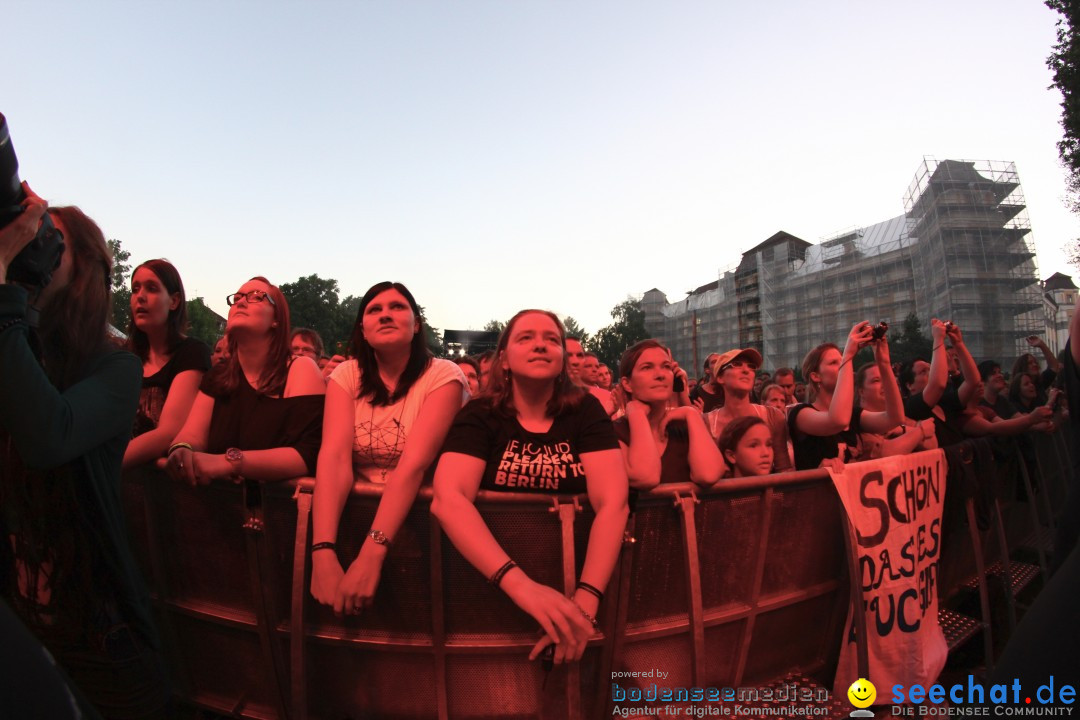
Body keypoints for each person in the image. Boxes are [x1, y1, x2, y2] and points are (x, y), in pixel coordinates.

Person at [0, 198, 169, 717]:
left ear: (85, 271)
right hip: (21, 622)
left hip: (100, 640)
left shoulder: (116, 368)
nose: (32, 247)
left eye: (49, 239)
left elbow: (49, 435)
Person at [431, 309, 629, 666]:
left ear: (562, 359)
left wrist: (587, 597)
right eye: (526, 338)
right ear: (504, 359)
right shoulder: (480, 414)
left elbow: (613, 501)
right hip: (490, 583)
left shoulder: (586, 411)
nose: (541, 345)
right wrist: (521, 586)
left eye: (551, 339)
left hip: (577, 577)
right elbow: (448, 498)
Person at [311, 282, 467, 615]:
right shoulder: (346, 375)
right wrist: (322, 549)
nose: (385, 315)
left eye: (397, 307)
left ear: (416, 324)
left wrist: (371, 555)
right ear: (363, 331)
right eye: (374, 310)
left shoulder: (444, 375)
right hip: (353, 521)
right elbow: (334, 457)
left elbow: (413, 465)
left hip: (421, 529)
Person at [165, 277, 325, 485]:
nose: (240, 302)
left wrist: (231, 462)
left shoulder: (299, 369)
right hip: (216, 508)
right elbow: (193, 435)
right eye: (237, 297)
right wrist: (182, 449)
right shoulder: (219, 375)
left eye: (256, 296)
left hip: (277, 511)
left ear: (277, 319)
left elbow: (308, 453)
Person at [123, 259, 211, 469]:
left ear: (174, 301)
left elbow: (169, 432)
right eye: (135, 289)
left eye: (152, 288)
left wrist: (104, 465)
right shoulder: (124, 357)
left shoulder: (192, 353)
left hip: (162, 487)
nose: (140, 297)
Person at [788, 322, 905, 470]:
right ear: (816, 376)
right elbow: (837, 421)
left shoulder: (853, 414)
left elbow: (895, 418)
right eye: (833, 362)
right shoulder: (801, 414)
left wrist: (884, 363)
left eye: (841, 360)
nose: (842, 365)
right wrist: (848, 357)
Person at [613, 339, 722, 489]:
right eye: (647, 367)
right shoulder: (614, 432)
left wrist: (691, 414)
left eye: (666, 366)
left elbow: (708, 474)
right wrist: (637, 415)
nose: (660, 375)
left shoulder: (684, 426)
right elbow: (646, 477)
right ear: (627, 384)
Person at [705, 348, 793, 473]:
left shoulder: (773, 417)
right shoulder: (706, 423)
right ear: (720, 377)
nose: (746, 370)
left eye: (751, 366)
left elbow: (784, 470)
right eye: (736, 364)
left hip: (766, 491)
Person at [854, 362, 935, 459]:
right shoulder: (857, 423)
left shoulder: (901, 420)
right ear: (861, 391)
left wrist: (901, 429)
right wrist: (919, 431)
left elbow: (932, 443)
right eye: (876, 380)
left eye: (887, 379)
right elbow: (883, 453)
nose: (885, 384)